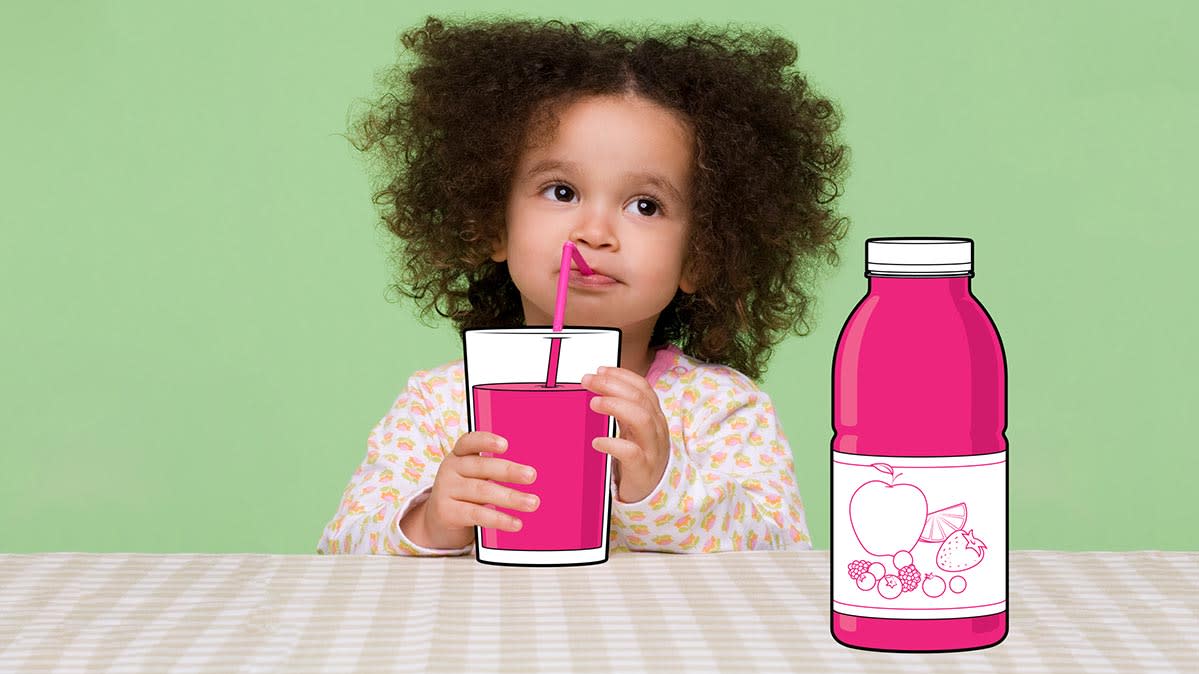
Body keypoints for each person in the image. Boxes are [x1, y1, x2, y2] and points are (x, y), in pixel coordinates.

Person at [317, 15, 849, 556]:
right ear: (492, 224)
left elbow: (783, 558)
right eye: (561, 191)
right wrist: (430, 523)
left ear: (702, 254)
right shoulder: (439, 405)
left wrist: (665, 483)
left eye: (646, 205)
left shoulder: (720, 410)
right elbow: (340, 549)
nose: (593, 233)